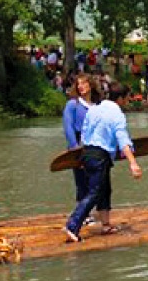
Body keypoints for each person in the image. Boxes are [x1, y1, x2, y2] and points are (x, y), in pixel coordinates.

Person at [62, 82, 142, 242]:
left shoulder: (94, 109)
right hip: (99, 155)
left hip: (88, 152)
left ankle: (105, 224)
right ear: (120, 99)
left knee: (104, 189)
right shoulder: (116, 114)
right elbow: (122, 139)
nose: (127, 102)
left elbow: (84, 132)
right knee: (94, 192)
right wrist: (133, 163)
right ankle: (72, 225)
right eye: (126, 98)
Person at [62, 74, 97, 223]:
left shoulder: (97, 104)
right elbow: (68, 127)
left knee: (95, 181)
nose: (81, 86)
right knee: (82, 181)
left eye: (84, 83)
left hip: (95, 145)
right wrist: (75, 148)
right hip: (79, 144)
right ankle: (83, 215)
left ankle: (90, 211)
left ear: (91, 85)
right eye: (78, 84)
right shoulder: (73, 104)